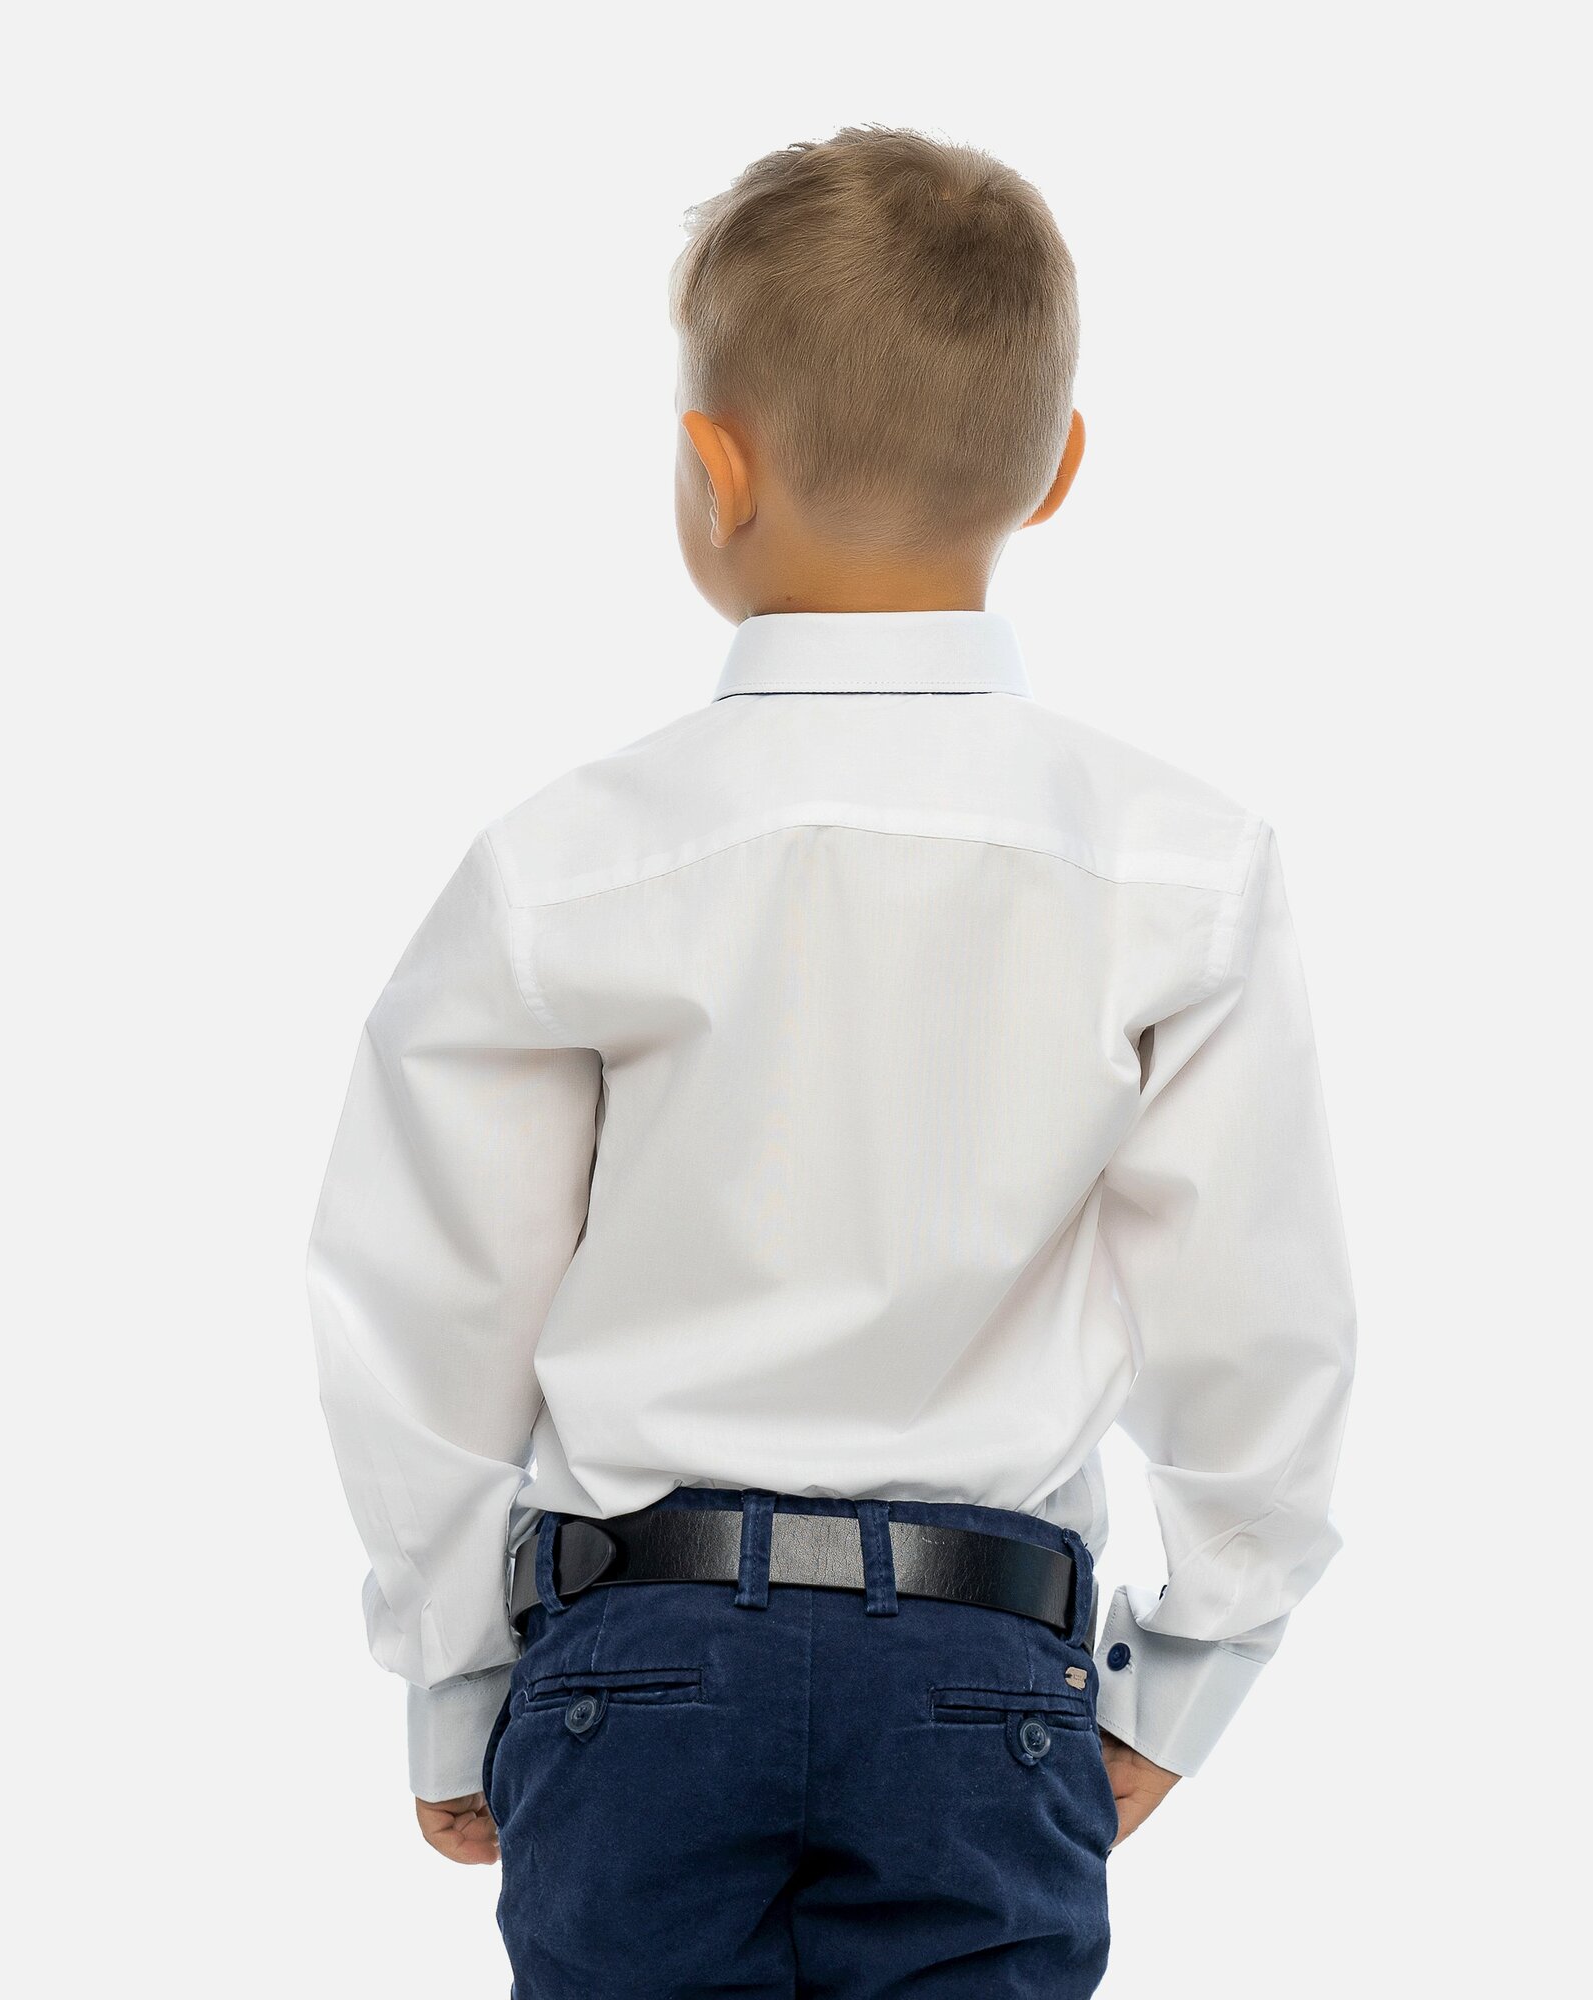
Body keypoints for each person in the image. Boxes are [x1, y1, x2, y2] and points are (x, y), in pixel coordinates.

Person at [307, 125, 1356, 1998]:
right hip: (983, 1669)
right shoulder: (1177, 863)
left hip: (635, 1660)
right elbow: (1263, 1324)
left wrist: (452, 1671)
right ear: (1059, 467)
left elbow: (430, 1300)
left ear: (714, 472)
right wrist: (1192, 1664)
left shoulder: (568, 863)